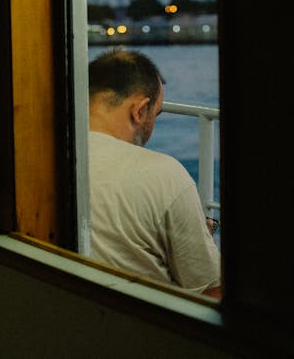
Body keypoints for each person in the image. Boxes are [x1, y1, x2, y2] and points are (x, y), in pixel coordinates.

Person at [87, 49, 222, 298]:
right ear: (139, 110)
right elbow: (210, 291)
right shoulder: (164, 174)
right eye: (156, 114)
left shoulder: (47, 156)